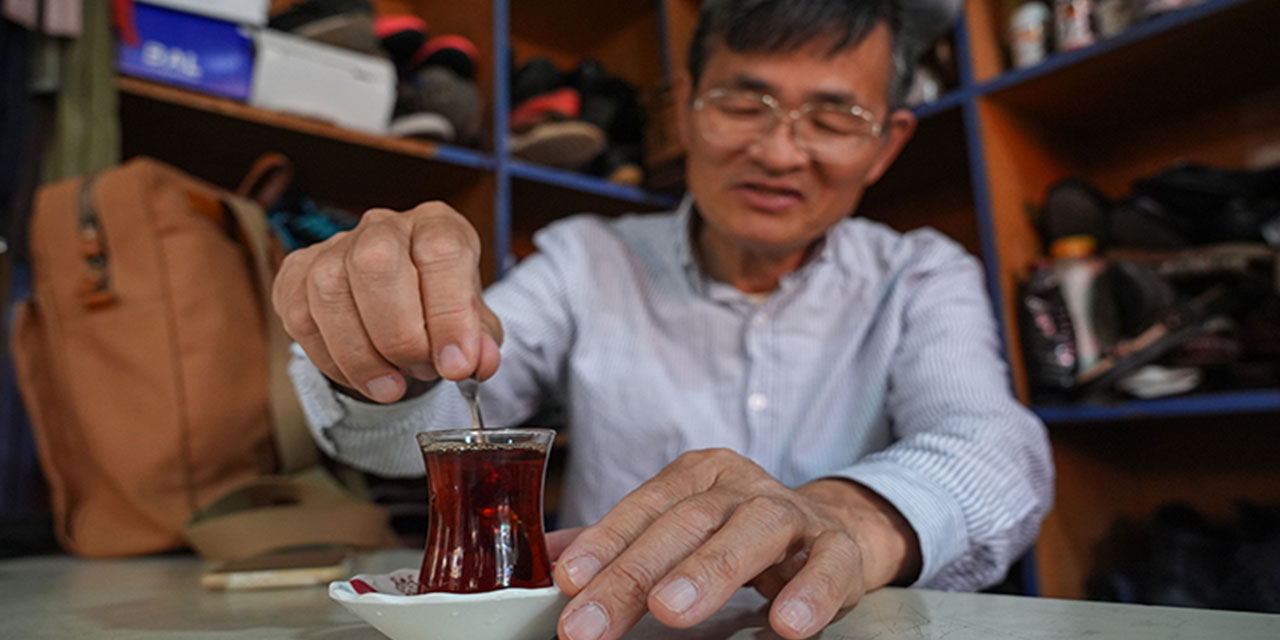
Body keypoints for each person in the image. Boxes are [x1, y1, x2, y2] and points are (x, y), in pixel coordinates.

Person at [273, 1, 1053, 639]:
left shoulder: (920, 274)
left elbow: (996, 450)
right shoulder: (585, 259)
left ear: (886, 143)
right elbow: (422, 431)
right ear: (684, 107)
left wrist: (843, 518)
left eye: (834, 116)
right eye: (744, 103)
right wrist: (390, 351)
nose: (780, 152)